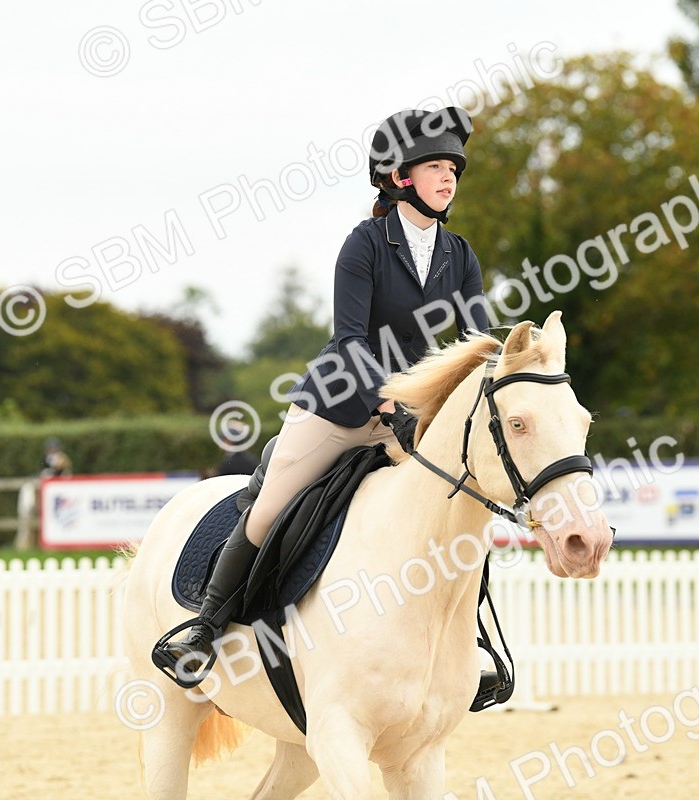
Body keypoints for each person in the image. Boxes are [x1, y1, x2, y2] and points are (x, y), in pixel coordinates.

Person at [169, 106, 490, 669]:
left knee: (461, 508)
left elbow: (476, 343)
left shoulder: (459, 254)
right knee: (268, 509)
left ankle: (474, 645)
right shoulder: (364, 244)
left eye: (454, 170)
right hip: (340, 404)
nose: (448, 179)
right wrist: (387, 401)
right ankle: (206, 626)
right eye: (436, 166)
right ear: (400, 178)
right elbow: (349, 339)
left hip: (413, 416)